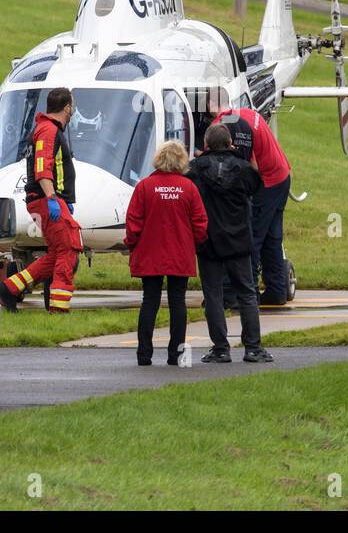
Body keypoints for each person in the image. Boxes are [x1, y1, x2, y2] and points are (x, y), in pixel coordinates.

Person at [188, 124, 272, 363]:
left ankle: (220, 348)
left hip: (208, 239)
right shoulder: (243, 169)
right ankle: (253, 348)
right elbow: (257, 187)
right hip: (238, 239)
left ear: (206, 145)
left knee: (213, 295)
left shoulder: (195, 169)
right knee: (246, 293)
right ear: (229, 144)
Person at [124, 141, 208, 366]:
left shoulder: (144, 187)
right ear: (182, 161)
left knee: (149, 301)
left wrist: (131, 243)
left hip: (150, 252)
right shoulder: (189, 188)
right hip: (179, 252)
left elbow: (133, 222)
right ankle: (176, 354)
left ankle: (144, 354)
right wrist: (196, 243)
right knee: (177, 302)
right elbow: (200, 222)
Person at [0, 87, 80, 314]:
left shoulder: (48, 129)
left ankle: (9, 288)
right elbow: (43, 168)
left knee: (56, 254)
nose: (72, 111)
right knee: (68, 250)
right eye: (71, 106)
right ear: (67, 108)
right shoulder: (48, 130)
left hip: (51, 200)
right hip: (48, 200)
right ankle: (58, 308)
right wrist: (53, 198)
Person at [210, 102, 292, 304]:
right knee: (271, 237)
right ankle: (276, 290)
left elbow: (251, 165)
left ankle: (248, 293)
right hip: (282, 175)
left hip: (266, 182)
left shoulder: (226, 126)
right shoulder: (247, 113)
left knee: (251, 237)